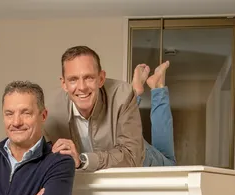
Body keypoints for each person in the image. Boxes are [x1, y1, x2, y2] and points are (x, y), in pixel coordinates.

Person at [43, 45, 176, 171]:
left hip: (138, 156)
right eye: (73, 79)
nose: (82, 87)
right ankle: (135, 91)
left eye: (89, 78)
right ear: (64, 84)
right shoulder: (50, 110)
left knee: (170, 164)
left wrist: (83, 160)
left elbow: (132, 156)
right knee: (123, 97)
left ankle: (158, 87)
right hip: (113, 150)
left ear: (101, 79)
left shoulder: (122, 95)